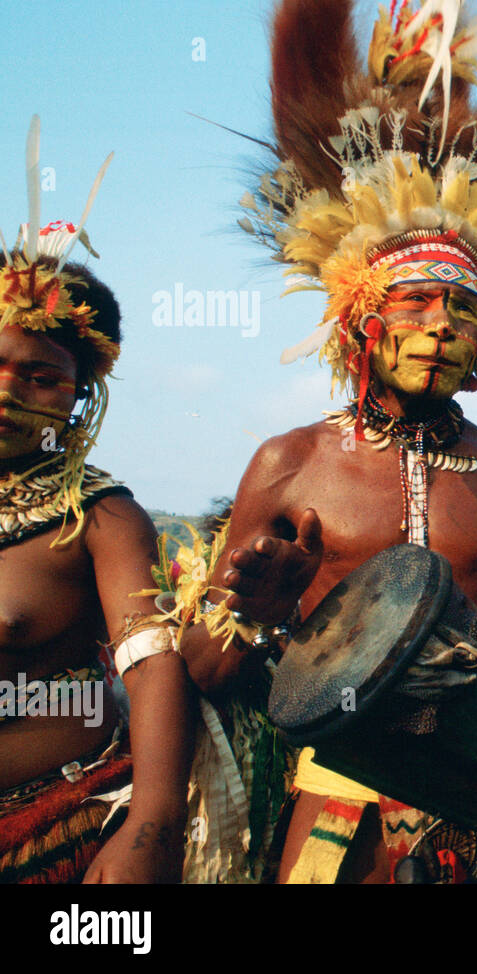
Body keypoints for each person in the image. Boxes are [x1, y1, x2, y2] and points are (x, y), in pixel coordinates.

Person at [178, 0, 477, 884]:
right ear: (359, 317)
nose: (439, 326)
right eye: (414, 302)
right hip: (345, 805)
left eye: (461, 308)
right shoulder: (292, 464)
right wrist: (256, 617)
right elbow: (202, 666)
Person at [0, 121, 194, 882]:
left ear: (78, 400)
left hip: (56, 827)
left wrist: (152, 823)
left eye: (41, 377)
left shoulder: (101, 518)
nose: (8, 392)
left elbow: (151, 665)